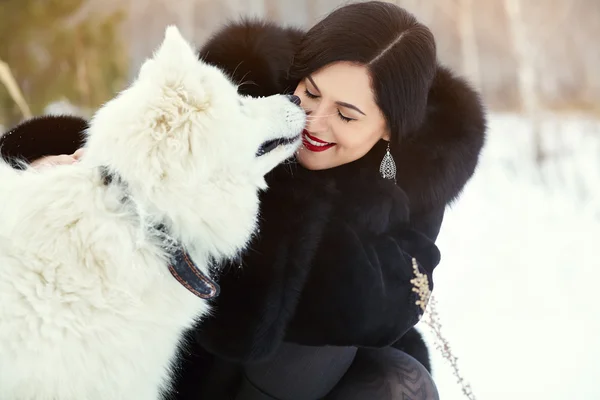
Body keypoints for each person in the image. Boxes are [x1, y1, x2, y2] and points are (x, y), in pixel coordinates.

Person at [0, 2, 486, 399]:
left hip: (290, 369)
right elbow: (146, 137)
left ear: (390, 132)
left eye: (347, 114)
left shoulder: (411, 181)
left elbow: (373, 306)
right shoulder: (251, 87)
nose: (313, 122)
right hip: (188, 356)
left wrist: (304, 203)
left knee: (397, 380)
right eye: (310, 91)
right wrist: (51, 156)